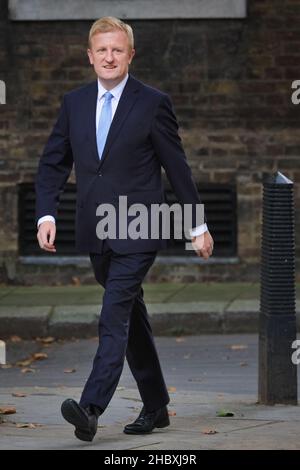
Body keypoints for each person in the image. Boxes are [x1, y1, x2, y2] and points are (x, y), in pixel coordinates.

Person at [35, 16, 214, 442]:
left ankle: (91, 407)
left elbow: (177, 166)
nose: (109, 57)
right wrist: (46, 214)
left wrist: (197, 224)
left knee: (114, 314)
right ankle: (156, 406)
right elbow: (53, 162)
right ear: (90, 56)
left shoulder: (152, 103)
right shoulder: (74, 102)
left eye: (118, 50)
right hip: (94, 228)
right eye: (102, 50)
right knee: (131, 316)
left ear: (131, 55)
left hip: (139, 226)